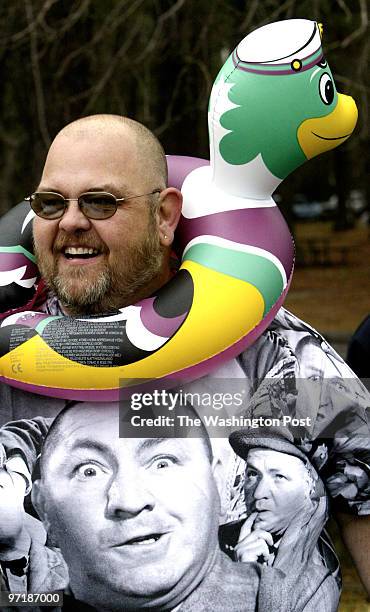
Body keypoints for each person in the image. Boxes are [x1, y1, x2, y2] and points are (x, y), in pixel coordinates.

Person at [0, 114, 369, 596]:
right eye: (51, 203)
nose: (70, 221)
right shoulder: (6, 357)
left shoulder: (286, 357)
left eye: (100, 202)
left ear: (165, 217)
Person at [3, 401, 337, 611]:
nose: (130, 501)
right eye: (89, 470)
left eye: (162, 462)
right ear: (43, 508)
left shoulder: (293, 598)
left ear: (217, 484)